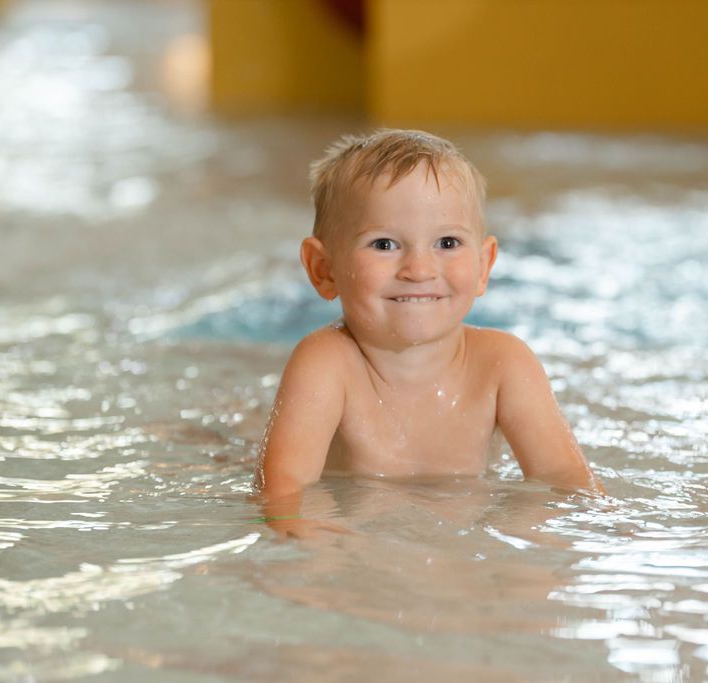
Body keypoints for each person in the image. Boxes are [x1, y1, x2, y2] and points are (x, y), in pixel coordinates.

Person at [255, 129, 601, 535]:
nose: (419, 270)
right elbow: (282, 492)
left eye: (448, 242)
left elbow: (564, 479)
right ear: (323, 268)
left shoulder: (503, 363)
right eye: (384, 244)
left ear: (484, 266)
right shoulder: (326, 364)